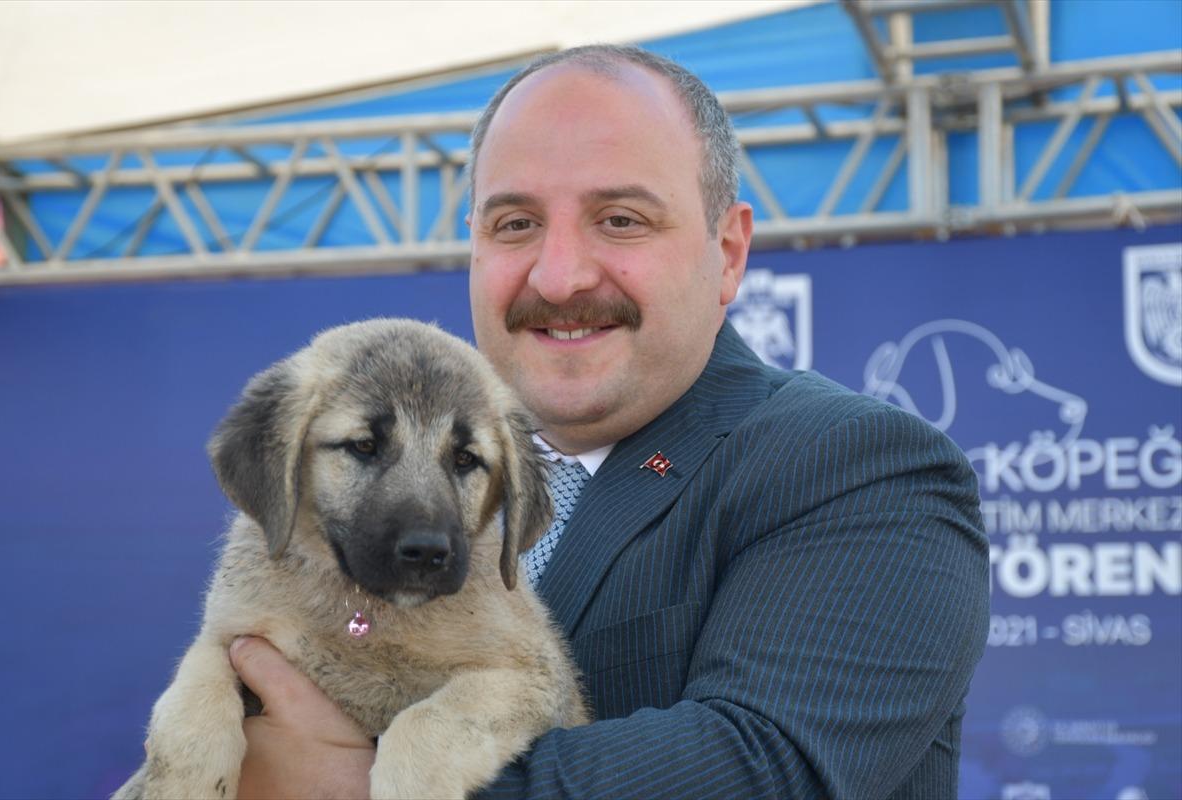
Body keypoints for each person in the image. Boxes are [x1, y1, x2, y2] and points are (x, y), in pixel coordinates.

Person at [230, 44, 990, 799]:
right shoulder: (399, 491)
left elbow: (764, 764)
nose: (559, 276)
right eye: (516, 223)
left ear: (727, 253)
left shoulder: (860, 466)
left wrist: (353, 787)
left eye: (621, 220)